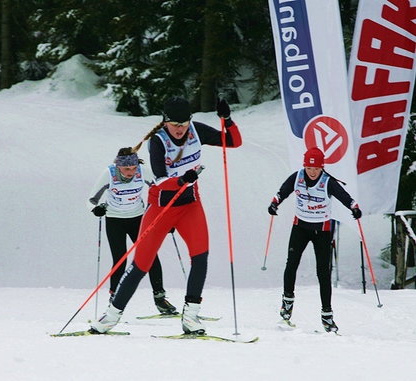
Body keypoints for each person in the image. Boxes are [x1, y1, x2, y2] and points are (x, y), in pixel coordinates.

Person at [90, 96, 242, 334]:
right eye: (175, 124)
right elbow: (159, 180)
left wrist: (227, 119)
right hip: (161, 209)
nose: (180, 129)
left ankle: (191, 316)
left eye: (184, 124)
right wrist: (182, 179)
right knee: (141, 265)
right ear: (165, 121)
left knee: (200, 257)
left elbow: (233, 142)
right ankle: (110, 317)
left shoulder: (195, 131)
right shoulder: (158, 140)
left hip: (190, 205)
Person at [267, 147, 362, 333]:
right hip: (300, 227)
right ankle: (287, 304)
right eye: (309, 168)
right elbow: (282, 192)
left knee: (323, 272)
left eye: (316, 169)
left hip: (322, 230)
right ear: (305, 166)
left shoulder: (328, 181)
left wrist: (354, 208)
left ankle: (327, 315)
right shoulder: (297, 177)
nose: (312, 172)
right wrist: (274, 204)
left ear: (321, 167)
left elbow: (345, 198)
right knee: (291, 263)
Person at [88, 148, 177, 314]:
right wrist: (96, 209)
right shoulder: (109, 173)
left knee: (150, 256)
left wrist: (167, 218)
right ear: (118, 166)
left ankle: (160, 299)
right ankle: (114, 300)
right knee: (120, 259)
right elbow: (91, 200)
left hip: (138, 218)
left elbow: (163, 189)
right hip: (115, 220)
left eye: (134, 168)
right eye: (126, 169)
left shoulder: (142, 171)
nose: (131, 172)